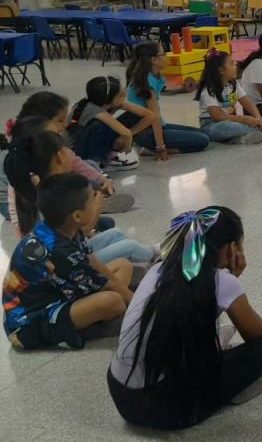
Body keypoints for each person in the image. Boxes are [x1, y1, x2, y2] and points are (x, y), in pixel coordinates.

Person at [108, 207, 262, 429]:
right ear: (232, 248)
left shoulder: (158, 269)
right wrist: (232, 280)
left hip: (121, 393)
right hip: (167, 409)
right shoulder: (222, 282)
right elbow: (256, 334)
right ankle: (234, 390)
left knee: (212, 337)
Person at [3, 173, 134, 350]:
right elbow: (106, 284)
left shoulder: (65, 227)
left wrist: (121, 289)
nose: (98, 200)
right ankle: (82, 328)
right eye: (93, 199)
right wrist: (142, 306)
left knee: (123, 265)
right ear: (78, 216)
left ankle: (93, 314)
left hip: (57, 293)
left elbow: (92, 262)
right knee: (113, 302)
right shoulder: (59, 251)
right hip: (28, 323)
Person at [3, 129, 154, 264]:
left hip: (67, 253)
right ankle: (157, 255)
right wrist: (97, 206)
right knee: (129, 246)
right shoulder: (50, 196)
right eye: (67, 150)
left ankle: (129, 266)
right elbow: (80, 233)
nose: (72, 154)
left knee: (116, 234)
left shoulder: (40, 184)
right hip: (66, 265)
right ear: (60, 156)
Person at [16, 91, 133, 213]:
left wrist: (101, 179)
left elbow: (75, 162)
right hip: (29, 202)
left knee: (90, 169)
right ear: (41, 120)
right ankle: (87, 207)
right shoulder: (26, 144)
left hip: (48, 189)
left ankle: (89, 203)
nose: (65, 125)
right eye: (60, 121)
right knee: (79, 185)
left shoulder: (50, 140)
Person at [124, 42, 210, 159]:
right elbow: (154, 117)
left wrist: (182, 90)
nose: (166, 57)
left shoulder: (151, 75)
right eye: (163, 54)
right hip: (145, 131)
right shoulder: (147, 81)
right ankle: (151, 148)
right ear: (153, 60)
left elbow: (164, 91)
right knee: (202, 140)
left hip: (153, 126)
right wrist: (161, 147)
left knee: (202, 133)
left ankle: (148, 145)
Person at [195, 49, 262, 144]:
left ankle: (242, 137)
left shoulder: (233, 84)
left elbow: (247, 102)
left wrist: (258, 119)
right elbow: (217, 116)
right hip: (211, 125)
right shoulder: (209, 90)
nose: (235, 65)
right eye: (231, 64)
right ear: (221, 70)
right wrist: (245, 119)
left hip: (232, 119)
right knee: (232, 127)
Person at [68, 75, 154, 170]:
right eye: (120, 95)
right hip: (76, 152)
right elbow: (126, 132)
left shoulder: (110, 103)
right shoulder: (93, 110)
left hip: (88, 142)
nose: (125, 95)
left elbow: (150, 116)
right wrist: (128, 140)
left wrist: (126, 135)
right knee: (99, 125)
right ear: (107, 102)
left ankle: (107, 158)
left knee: (134, 116)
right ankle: (93, 164)